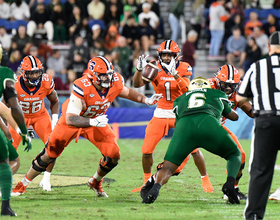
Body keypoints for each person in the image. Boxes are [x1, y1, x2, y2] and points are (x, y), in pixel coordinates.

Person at [11, 55, 163, 197]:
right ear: (93, 76)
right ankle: (23, 184)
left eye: (109, 74)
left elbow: (126, 92)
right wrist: (92, 122)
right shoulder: (82, 86)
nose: (107, 78)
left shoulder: (114, 81)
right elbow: (71, 118)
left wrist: (146, 100)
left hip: (95, 121)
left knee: (113, 154)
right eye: (103, 75)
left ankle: (95, 181)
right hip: (72, 122)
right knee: (49, 154)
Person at [141, 76, 241, 204]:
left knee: (168, 166)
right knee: (234, 154)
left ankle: (155, 188)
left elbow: (178, 121)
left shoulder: (179, 99)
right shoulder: (217, 93)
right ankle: (230, 184)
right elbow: (233, 116)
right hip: (207, 123)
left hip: (184, 128)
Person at [131, 40, 213, 193]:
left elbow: (186, 90)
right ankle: (146, 182)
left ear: (177, 56)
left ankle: (205, 179)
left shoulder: (184, 67)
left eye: (170, 55)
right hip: (160, 113)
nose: (167, 58)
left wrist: (174, 74)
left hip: (180, 113)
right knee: (146, 150)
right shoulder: (154, 66)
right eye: (164, 55)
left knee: (194, 149)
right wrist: (139, 70)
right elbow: (136, 84)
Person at [236, 31, 280, 220]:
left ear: (268, 48)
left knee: (260, 170)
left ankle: (254, 216)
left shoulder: (257, 66)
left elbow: (239, 97)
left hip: (266, 121)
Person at [8, 55, 59, 192]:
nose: (35, 75)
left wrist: (54, 120)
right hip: (20, 117)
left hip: (40, 116)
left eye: (37, 72)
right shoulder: (14, 83)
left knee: (53, 146)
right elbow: (5, 105)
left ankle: (46, 178)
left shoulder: (46, 81)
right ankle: (4, 181)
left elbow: (54, 100)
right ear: (24, 73)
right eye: (31, 73)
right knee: (9, 150)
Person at [208, 64, 253, 200]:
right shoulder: (207, 87)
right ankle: (153, 182)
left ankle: (233, 188)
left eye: (231, 85)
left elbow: (251, 111)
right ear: (217, 81)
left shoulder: (238, 94)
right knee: (179, 161)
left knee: (241, 156)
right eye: (225, 84)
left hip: (218, 128)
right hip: (198, 127)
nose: (228, 88)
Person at [0, 45, 32, 216]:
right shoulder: (4, 73)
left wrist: (6, 129)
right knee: (11, 161)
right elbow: (11, 108)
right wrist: (23, 132)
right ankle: (5, 206)